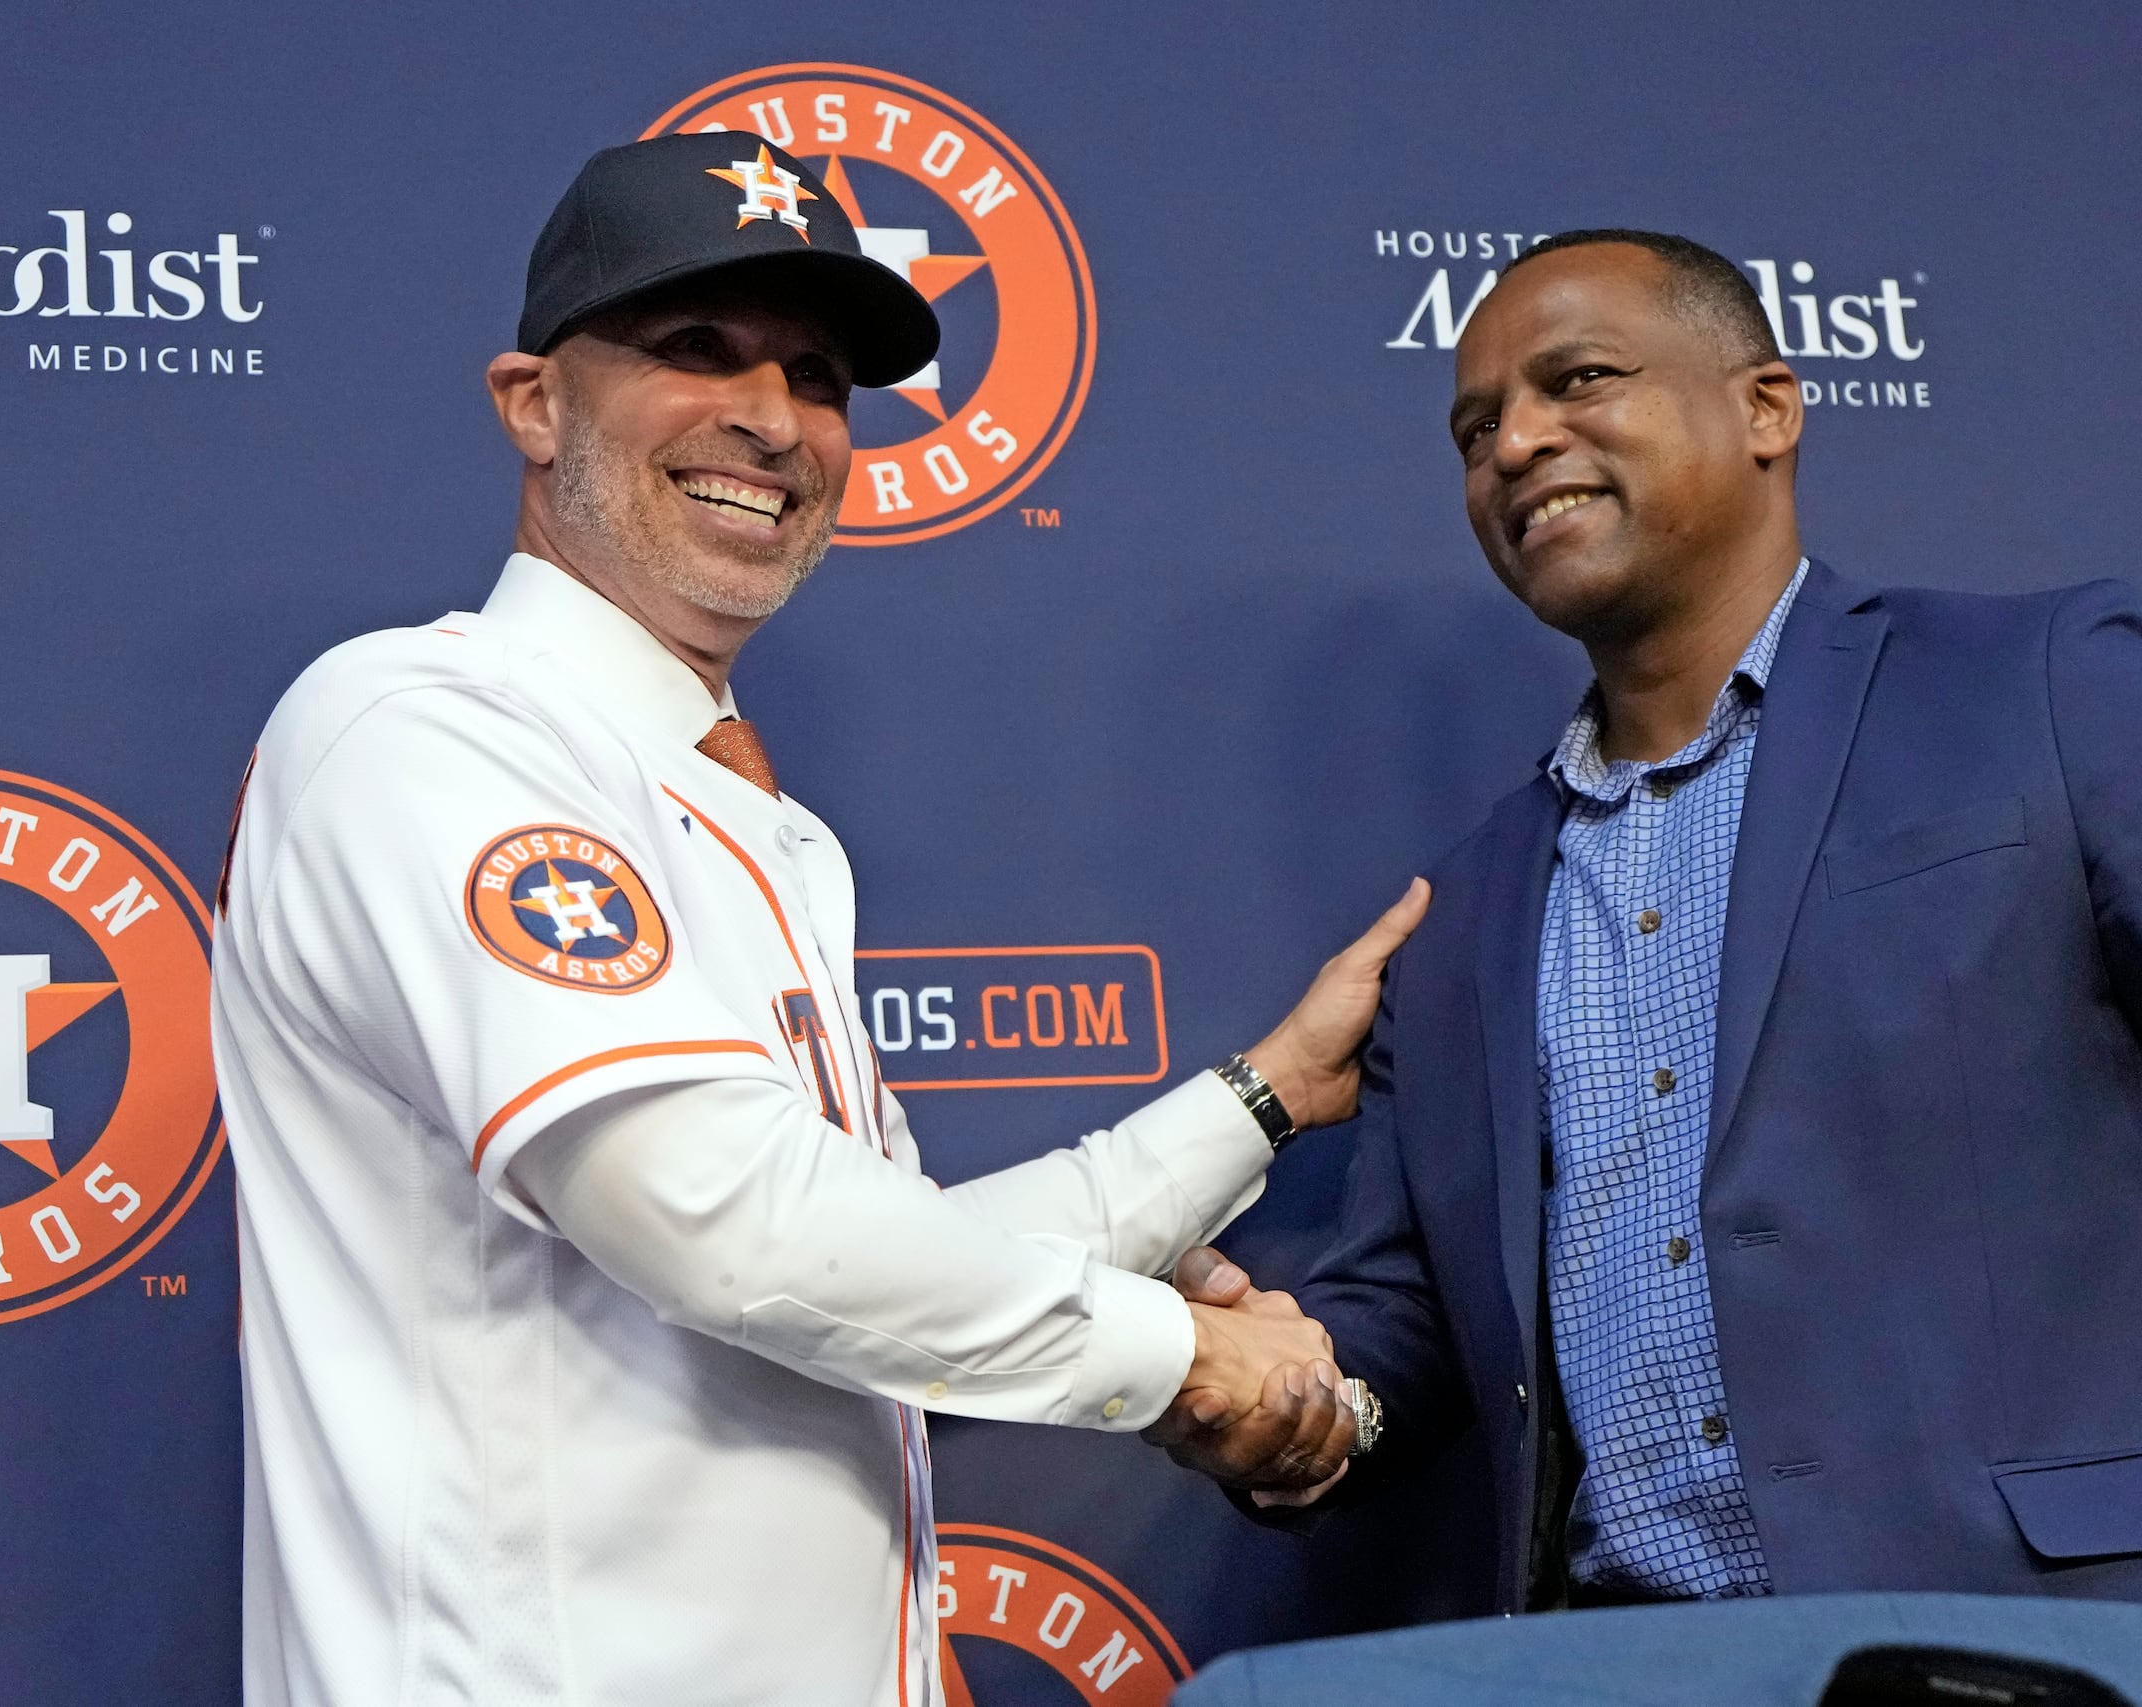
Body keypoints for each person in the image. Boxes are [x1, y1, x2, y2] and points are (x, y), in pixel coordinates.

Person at [210, 131, 1424, 1706]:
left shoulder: (754, 818)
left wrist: (1262, 1100)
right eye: (696, 349)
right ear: (533, 401)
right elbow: (722, 1217)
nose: (770, 422)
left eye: (820, 375)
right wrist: (1180, 1355)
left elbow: (878, 1258)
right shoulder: (427, 724)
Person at [1152, 229, 2142, 1611]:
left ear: (1768, 409)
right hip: (1626, 1659)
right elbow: (1418, 1333)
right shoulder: (1462, 916)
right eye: (1477, 425)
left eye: (1581, 380)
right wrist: (1299, 1398)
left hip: (2041, 1632)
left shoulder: (2045, 687)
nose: (1515, 444)